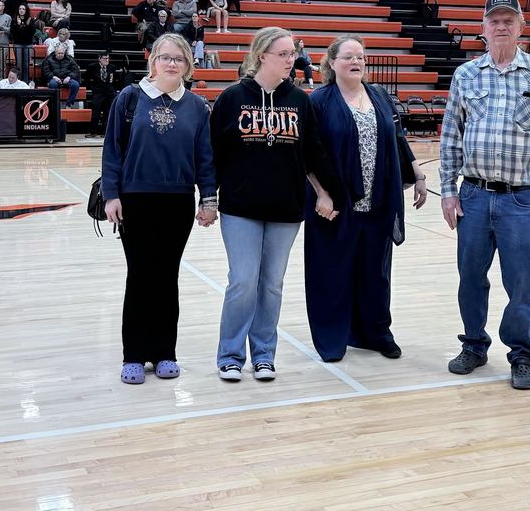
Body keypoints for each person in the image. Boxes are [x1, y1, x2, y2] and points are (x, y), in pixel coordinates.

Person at [440, 0, 530, 391]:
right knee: (470, 277)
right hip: (474, 196)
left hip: (522, 198)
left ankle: (521, 355)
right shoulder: (465, 75)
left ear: (520, 27)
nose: (501, 26)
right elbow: (450, 137)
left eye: (508, 21)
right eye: (494, 20)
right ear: (483, 28)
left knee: (521, 280)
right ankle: (474, 345)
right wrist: (448, 190)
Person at [211, 27, 339, 382]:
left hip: (286, 208)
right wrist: (209, 197)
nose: (291, 60)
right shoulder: (231, 98)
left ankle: (264, 355)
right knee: (243, 280)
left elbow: (312, 153)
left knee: (271, 284)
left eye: (292, 54)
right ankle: (230, 355)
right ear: (262, 55)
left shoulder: (300, 100)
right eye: (283, 53)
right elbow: (213, 155)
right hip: (240, 208)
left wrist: (326, 192)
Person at [101, 33, 217, 384]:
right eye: (165, 57)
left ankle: (165, 351)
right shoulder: (130, 97)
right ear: (153, 61)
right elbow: (112, 150)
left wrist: (208, 199)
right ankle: (133, 355)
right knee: (139, 276)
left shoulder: (197, 106)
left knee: (167, 277)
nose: (171, 64)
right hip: (134, 200)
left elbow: (205, 159)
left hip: (177, 202)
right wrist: (111, 195)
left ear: (188, 64)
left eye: (179, 59)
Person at [303, 35, 427, 362]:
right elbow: (308, 154)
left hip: (377, 202)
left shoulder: (379, 95)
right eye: (348, 57)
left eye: (361, 56)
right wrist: (322, 194)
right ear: (331, 63)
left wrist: (418, 175)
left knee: (375, 273)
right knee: (333, 273)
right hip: (337, 205)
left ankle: (375, 333)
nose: (356, 61)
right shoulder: (319, 100)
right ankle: (332, 337)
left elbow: (397, 137)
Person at [84, 51, 117, 137]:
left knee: (108, 113)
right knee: (96, 113)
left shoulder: (112, 67)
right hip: (98, 92)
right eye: (105, 58)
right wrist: (92, 87)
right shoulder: (92, 67)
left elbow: (116, 80)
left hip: (109, 93)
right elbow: (86, 78)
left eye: (108, 58)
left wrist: (113, 90)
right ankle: (93, 132)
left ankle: (105, 132)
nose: (107, 60)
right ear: (99, 59)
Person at [41, 43, 81, 108]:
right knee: (52, 84)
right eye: (59, 53)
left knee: (75, 85)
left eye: (62, 53)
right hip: (54, 78)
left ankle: (69, 104)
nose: (61, 55)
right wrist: (54, 77)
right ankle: (54, 103)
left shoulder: (70, 59)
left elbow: (75, 71)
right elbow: (45, 71)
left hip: (67, 78)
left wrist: (69, 77)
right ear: (55, 53)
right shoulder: (48, 59)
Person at [10, 2, 35, 77]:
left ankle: (26, 82)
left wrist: (27, 25)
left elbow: (32, 32)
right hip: (18, 43)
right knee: (18, 65)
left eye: (23, 9)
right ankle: (18, 81)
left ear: (26, 10)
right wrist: (18, 25)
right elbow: (13, 33)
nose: (21, 10)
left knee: (26, 65)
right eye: (20, 9)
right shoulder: (14, 20)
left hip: (28, 44)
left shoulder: (30, 20)